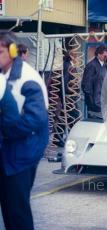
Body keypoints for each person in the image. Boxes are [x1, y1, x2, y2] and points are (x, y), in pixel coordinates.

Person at [0, 31, 49, 230]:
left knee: (17, 209)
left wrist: (5, 132)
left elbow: (35, 120)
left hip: (24, 151)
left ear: (13, 51)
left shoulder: (28, 79)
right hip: (9, 148)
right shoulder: (4, 75)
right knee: (8, 206)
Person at [81, 44, 107, 118]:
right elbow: (86, 86)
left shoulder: (104, 65)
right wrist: (92, 103)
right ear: (99, 54)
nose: (106, 58)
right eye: (105, 56)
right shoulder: (92, 65)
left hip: (101, 102)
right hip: (94, 103)